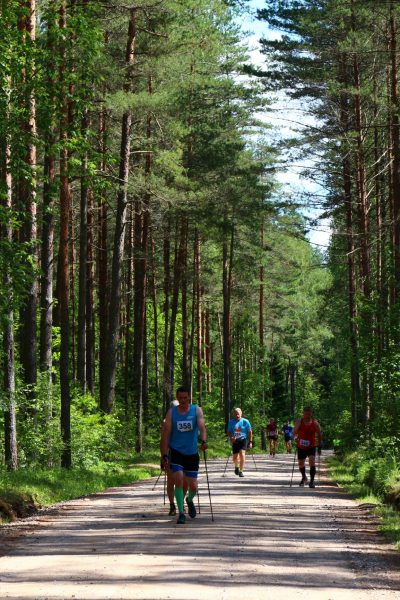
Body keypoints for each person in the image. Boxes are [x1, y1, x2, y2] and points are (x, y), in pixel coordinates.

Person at [160, 386, 207, 525]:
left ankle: (189, 499)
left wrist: (204, 441)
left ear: (189, 397)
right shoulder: (171, 413)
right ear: (177, 398)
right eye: (180, 398)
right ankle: (181, 513)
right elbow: (166, 434)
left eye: (185, 398)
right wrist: (164, 454)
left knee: (193, 486)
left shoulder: (196, 410)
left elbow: (202, 427)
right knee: (179, 479)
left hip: (192, 452)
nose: (182, 400)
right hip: (176, 451)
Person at [160, 400, 187, 516]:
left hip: (185, 453)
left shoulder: (186, 419)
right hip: (170, 453)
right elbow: (163, 439)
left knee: (184, 480)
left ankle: (181, 502)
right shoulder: (166, 421)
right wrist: (163, 455)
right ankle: (172, 505)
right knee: (171, 480)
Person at [293, 406, 322, 488]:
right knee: (301, 463)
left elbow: (319, 434)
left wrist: (319, 445)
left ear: (311, 413)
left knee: (312, 461)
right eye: (306, 413)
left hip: (311, 446)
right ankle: (304, 477)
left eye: (309, 413)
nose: (307, 415)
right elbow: (294, 432)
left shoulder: (315, 423)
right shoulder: (299, 422)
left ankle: (312, 481)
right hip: (301, 446)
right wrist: (295, 438)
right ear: (303, 413)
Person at [227, 408, 253, 478]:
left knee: (242, 454)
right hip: (235, 440)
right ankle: (236, 466)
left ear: (241, 414)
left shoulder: (245, 421)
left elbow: (250, 432)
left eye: (238, 414)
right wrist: (231, 438)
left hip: (243, 439)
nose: (237, 415)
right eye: (236, 414)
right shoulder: (231, 422)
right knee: (235, 458)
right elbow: (228, 432)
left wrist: (250, 442)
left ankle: (241, 471)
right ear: (234, 414)